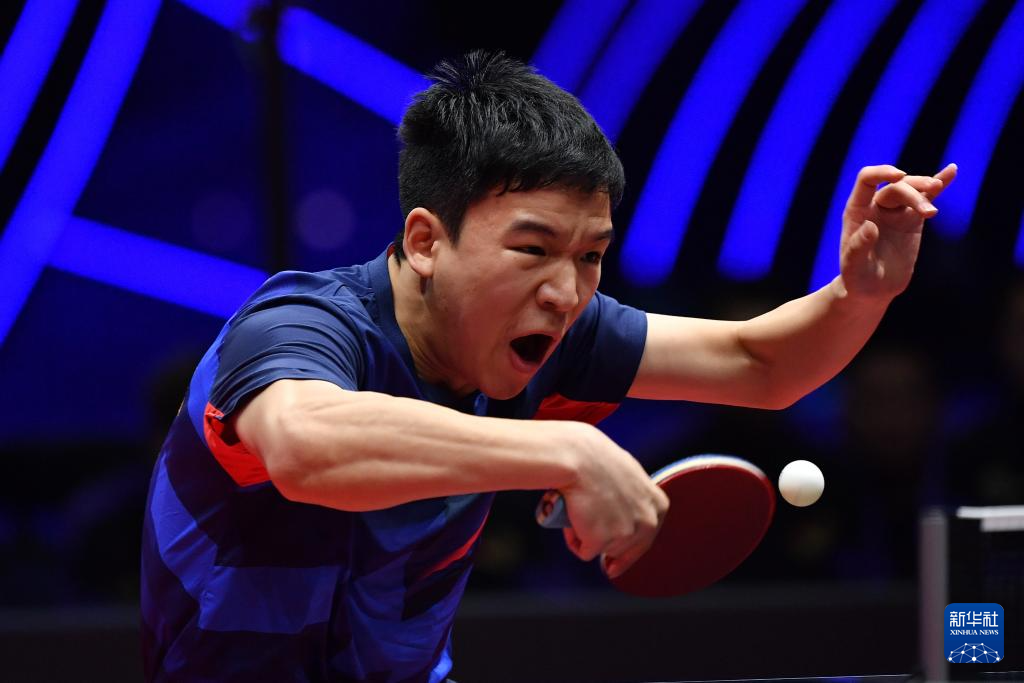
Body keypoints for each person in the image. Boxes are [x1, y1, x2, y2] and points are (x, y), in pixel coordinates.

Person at [140, 51, 956, 681]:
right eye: (532, 249)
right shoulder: (299, 324)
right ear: (426, 241)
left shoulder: (555, 332)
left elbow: (760, 363)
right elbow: (305, 445)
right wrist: (566, 450)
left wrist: (859, 292)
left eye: (591, 255)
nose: (566, 292)